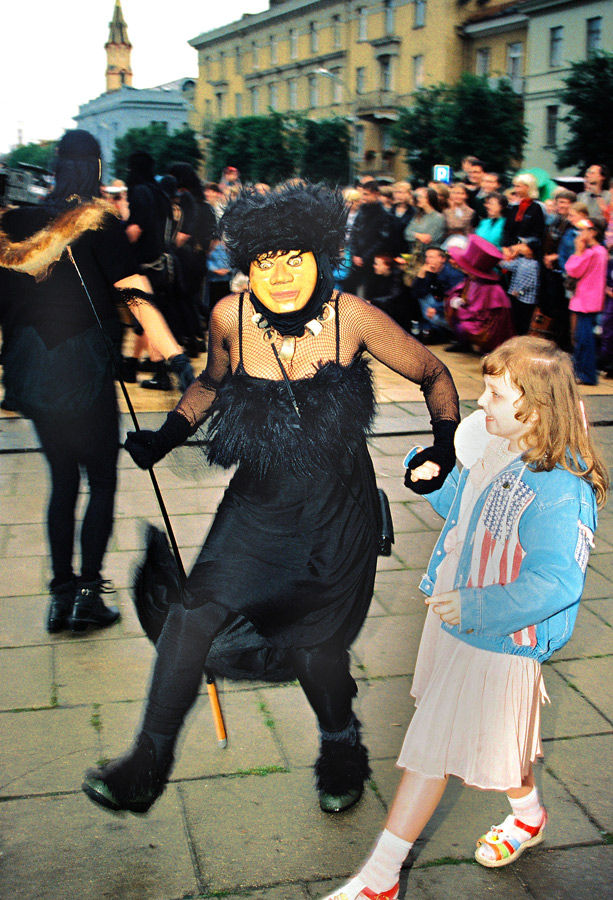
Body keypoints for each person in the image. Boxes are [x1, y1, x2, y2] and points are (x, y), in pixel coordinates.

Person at [80, 182, 460, 819]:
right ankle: (146, 764)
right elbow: (211, 382)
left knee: (317, 648)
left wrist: (443, 446)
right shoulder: (231, 317)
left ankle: (341, 745)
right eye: (264, 262)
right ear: (246, 265)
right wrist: (166, 436)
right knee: (191, 616)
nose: (279, 277)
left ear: (320, 257)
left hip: (334, 512)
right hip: (256, 503)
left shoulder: (351, 318)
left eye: (293, 260)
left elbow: (434, 373)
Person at [319, 335, 607, 900]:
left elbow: (556, 582)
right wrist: (435, 479)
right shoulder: (499, 447)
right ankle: (528, 816)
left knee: (433, 745)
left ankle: (380, 880)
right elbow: (470, 513)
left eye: (495, 395)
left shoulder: (561, 488)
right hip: (459, 618)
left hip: (497, 634)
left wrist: (477, 606)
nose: (481, 403)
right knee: (497, 736)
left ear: (535, 410)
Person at [0, 129, 191, 634]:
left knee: (62, 482)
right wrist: (175, 357)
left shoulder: (16, 222)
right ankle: (88, 595)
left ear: (56, 165)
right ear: (97, 168)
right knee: (101, 480)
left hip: (33, 372)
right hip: (84, 372)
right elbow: (134, 292)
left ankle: (60, 598)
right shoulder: (99, 221)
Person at [445, 234, 514, 353]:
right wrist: (456, 301)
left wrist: (461, 309)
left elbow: (486, 319)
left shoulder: (492, 289)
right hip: (471, 316)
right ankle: (464, 344)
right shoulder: (471, 280)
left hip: (484, 328)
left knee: (461, 321)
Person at [565, 216, 608, 385]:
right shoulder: (601, 251)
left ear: (593, 232)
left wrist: (577, 251)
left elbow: (572, 269)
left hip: (585, 301)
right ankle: (583, 373)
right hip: (589, 300)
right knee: (583, 337)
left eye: (584, 230)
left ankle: (586, 375)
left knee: (583, 339)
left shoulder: (592, 253)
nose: (580, 233)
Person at [346, 180, 391, 300]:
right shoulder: (362, 210)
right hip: (356, 257)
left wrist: (364, 257)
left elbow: (381, 240)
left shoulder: (383, 214)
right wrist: (354, 254)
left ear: (375, 193)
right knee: (349, 289)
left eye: (366, 194)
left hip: (371, 260)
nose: (363, 197)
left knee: (369, 292)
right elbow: (354, 233)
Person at [410, 247, 464, 342]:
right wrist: (421, 275)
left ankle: (452, 332)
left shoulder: (453, 274)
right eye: (427, 257)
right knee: (421, 299)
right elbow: (416, 294)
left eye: (431, 257)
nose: (428, 260)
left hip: (452, 307)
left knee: (430, 308)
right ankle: (432, 329)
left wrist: (437, 309)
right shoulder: (431, 271)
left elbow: (457, 298)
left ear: (442, 259)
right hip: (437, 304)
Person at [500, 240, 540, 335]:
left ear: (531, 250)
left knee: (523, 322)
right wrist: (498, 261)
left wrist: (520, 292)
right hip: (515, 296)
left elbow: (532, 283)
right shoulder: (521, 260)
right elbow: (509, 266)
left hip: (526, 300)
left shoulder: (535, 265)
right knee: (514, 319)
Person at [503, 174, 545, 260]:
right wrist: (506, 247)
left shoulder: (537, 207)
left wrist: (522, 246)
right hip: (509, 248)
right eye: (515, 186)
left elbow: (538, 232)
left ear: (528, 187)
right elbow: (507, 229)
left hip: (526, 251)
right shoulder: (513, 206)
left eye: (519, 186)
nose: (515, 189)